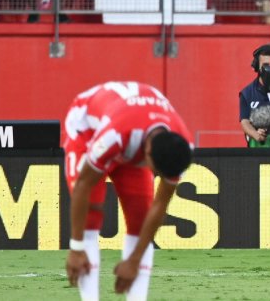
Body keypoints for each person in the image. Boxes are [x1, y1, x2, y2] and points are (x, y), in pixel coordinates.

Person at [62, 82, 192, 299]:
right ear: (147, 153)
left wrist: (134, 261)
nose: (156, 174)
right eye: (155, 170)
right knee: (91, 216)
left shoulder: (181, 146)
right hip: (88, 128)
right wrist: (76, 247)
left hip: (130, 128)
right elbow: (83, 185)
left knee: (141, 220)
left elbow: (159, 205)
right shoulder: (113, 137)